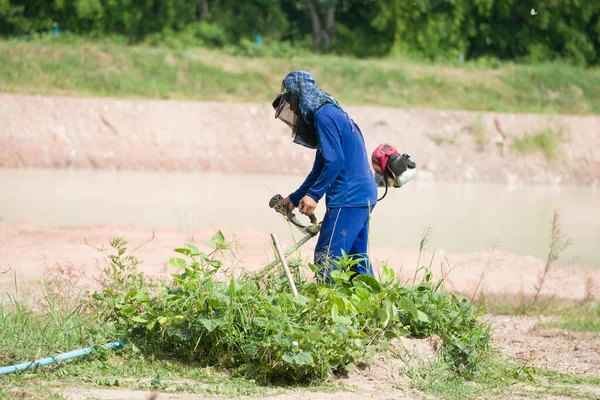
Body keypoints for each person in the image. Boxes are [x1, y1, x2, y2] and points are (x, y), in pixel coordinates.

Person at [272, 71, 378, 283]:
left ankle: (326, 309)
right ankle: (373, 306)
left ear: (301, 96)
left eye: (292, 101)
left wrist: (313, 196)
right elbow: (320, 168)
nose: (292, 108)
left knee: (326, 259)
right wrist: (294, 199)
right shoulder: (331, 113)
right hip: (362, 196)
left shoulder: (323, 117)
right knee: (357, 262)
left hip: (347, 199)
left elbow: (336, 161)